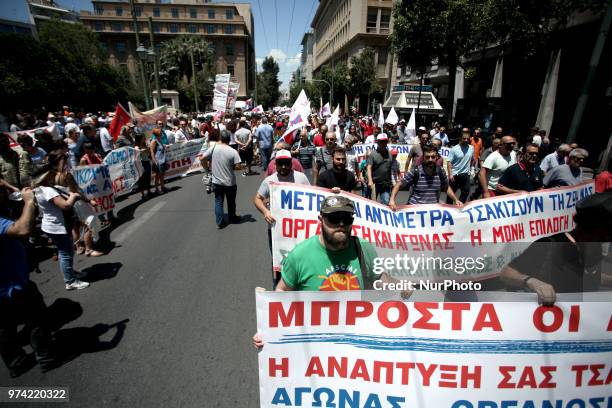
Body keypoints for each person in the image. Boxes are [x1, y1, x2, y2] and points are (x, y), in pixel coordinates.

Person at [500, 192, 612, 305]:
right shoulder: (549, 244)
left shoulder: (595, 249)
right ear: (592, 228)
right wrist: (532, 282)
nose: (607, 237)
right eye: (605, 231)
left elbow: (589, 276)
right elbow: (506, 274)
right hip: (551, 318)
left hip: (584, 317)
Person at [0, 185, 56, 376]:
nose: (6, 194)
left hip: (8, 284)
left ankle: (16, 363)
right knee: (35, 318)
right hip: (12, 286)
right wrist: (29, 201)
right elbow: (23, 229)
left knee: (5, 328)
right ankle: (45, 356)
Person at [253, 149, 310, 287]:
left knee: (301, 259)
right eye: (280, 163)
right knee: (279, 260)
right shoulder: (269, 181)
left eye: (286, 163)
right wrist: (266, 212)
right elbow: (257, 198)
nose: (283, 166)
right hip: (277, 230)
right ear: (275, 164)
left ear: (292, 163)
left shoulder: (301, 178)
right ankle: (279, 288)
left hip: (298, 228)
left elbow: (311, 196)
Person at [32, 165, 90, 290]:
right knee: (66, 254)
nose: (55, 174)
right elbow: (65, 205)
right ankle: (70, 281)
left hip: (53, 225)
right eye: (52, 172)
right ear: (46, 176)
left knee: (66, 252)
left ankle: (71, 273)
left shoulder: (41, 189)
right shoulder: (48, 191)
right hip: (57, 226)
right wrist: (73, 196)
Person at [390, 144, 462, 208]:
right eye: (427, 157)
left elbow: (446, 187)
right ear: (423, 157)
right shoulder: (416, 172)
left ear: (436, 157)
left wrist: (456, 200)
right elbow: (398, 185)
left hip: (432, 211)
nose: (430, 159)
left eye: (432, 157)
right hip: (416, 211)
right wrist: (392, 200)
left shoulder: (441, 171)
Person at [202, 130, 242, 229]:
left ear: (220, 138)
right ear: (229, 139)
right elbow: (238, 167)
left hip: (216, 182)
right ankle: (232, 217)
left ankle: (220, 222)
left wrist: (207, 169)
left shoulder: (213, 148)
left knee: (218, 201)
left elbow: (202, 158)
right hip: (230, 182)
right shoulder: (233, 151)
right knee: (231, 201)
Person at [446, 129, 474, 204]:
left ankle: (459, 205)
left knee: (466, 192)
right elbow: (449, 162)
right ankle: (449, 207)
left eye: (468, 138)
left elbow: (472, 159)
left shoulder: (471, 148)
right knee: (451, 193)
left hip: (465, 174)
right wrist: (450, 174)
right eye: (464, 138)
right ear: (460, 138)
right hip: (455, 174)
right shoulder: (454, 149)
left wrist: (472, 169)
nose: (466, 140)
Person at [367, 134, 393, 204]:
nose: (384, 144)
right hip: (374, 184)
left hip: (385, 184)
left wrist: (392, 181)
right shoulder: (373, 154)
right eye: (381, 142)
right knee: (372, 203)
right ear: (377, 142)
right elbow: (369, 167)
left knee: (386, 202)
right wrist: (370, 181)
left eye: (385, 141)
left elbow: (390, 168)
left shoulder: (389, 154)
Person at [134, 133, 152, 200]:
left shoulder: (145, 144)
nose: (144, 138)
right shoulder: (136, 146)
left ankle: (149, 192)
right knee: (142, 179)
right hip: (141, 163)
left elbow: (148, 153)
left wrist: (148, 149)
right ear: (139, 139)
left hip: (147, 162)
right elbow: (136, 152)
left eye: (144, 137)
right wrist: (141, 150)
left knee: (148, 178)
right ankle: (143, 194)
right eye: (143, 138)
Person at [150, 128, 167, 194]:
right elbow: (152, 152)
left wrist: (165, 146)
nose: (161, 132)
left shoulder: (159, 140)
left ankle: (162, 187)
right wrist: (155, 161)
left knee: (162, 174)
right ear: (157, 133)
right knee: (157, 176)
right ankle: (156, 189)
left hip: (163, 159)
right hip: (158, 161)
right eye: (160, 132)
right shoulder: (154, 141)